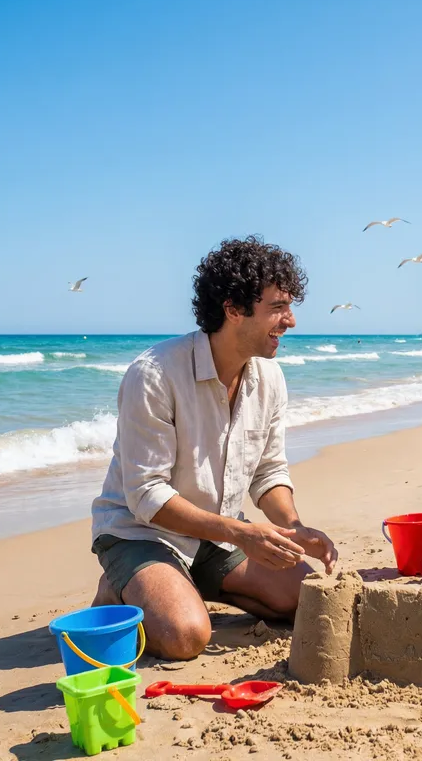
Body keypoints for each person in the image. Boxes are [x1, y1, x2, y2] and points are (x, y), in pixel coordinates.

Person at [91, 237, 338, 660]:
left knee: (308, 602)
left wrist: (293, 526)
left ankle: (182, 583)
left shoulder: (270, 378)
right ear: (233, 309)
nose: (291, 321)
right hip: (141, 531)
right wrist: (241, 532)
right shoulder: (154, 374)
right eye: (277, 307)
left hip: (215, 536)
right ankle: (124, 584)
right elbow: (146, 496)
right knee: (186, 637)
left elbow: (268, 472)